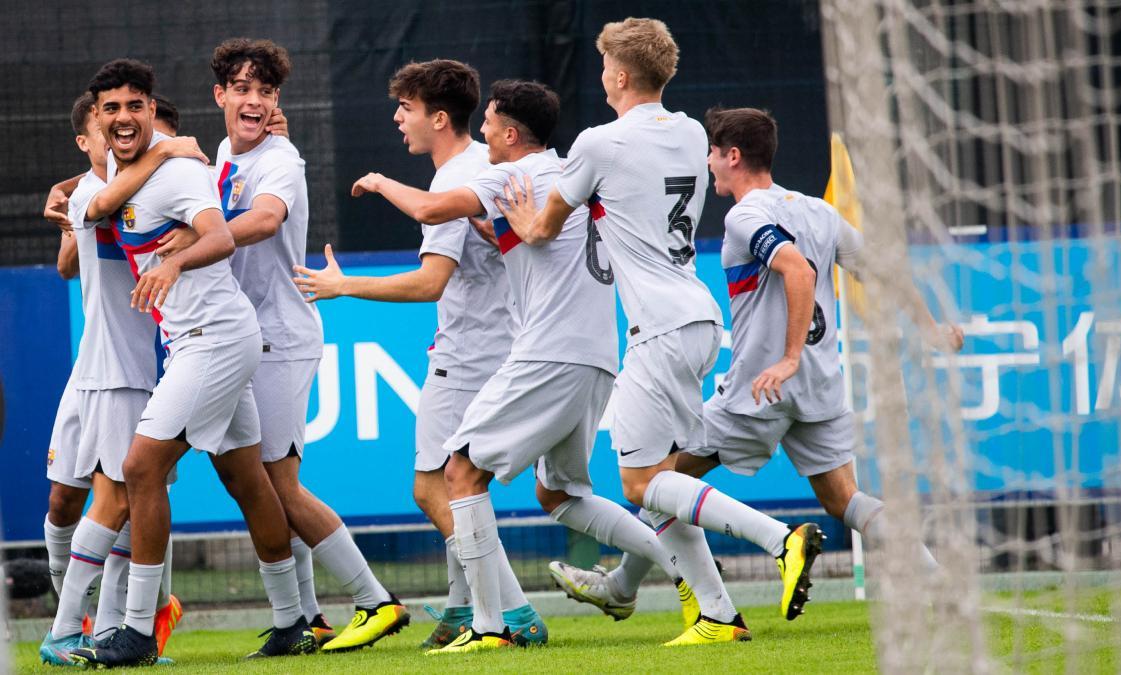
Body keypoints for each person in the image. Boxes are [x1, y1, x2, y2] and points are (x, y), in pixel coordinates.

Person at [299, 80, 701, 652]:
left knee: (454, 477)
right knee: (558, 495)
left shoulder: (497, 175)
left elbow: (434, 228)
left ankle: (498, 623)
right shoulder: (571, 176)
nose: (484, 129)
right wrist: (502, 234)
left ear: (509, 134)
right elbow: (541, 239)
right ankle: (691, 578)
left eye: (490, 122)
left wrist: (377, 183)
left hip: (535, 353)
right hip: (596, 357)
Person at [551, 106, 964, 622]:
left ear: (733, 155)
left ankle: (630, 586)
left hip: (761, 390)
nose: (707, 164)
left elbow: (795, 270)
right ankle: (937, 582)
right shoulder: (818, 211)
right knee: (845, 499)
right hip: (820, 389)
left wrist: (788, 358)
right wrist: (930, 328)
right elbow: (880, 267)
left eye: (712, 154)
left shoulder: (745, 216)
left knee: (660, 480)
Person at [495, 18, 822, 645]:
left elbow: (540, 230)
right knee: (662, 487)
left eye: (602, 67)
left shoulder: (600, 142)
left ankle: (780, 540)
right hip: (698, 317)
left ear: (618, 76)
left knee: (642, 483)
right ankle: (718, 615)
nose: (600, 76)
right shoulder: (694, 131)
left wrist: (516, 215)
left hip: (659, 327)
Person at [156, 38, 409, 653]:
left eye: (266, 92)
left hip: (280, 339)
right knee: (257, 484)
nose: (255, 100)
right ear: (220, 95)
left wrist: (187, 251)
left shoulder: (282, 159)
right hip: (235, 338)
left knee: (279, 485)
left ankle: (377, 600)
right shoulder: (221, 153)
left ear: (277, 102)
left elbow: (266, 220)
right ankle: (308, 618)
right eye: (243, 89)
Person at [292, 59, 545, 649]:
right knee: (468, 488)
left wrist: (343, 285)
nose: (397, 118)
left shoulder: (455, 175)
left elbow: (431, 281)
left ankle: (514, 612)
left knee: (434, 489)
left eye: (405, 107)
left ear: (437, 117)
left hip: (471, 353)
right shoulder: (484, 165)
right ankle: (463, 612)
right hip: (501, 343)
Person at [68, 59, 312, 667]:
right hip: (195, 339)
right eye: (111, 109)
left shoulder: (180, 173)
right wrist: (154, 156)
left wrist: (175, 262)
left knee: (140, 468)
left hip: (216, 337)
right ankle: (292, 621)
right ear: (98, 119)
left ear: (152, 110)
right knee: (247, 479)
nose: (124, 117)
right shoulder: (119, 178)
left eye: (135, 106)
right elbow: (96, 209)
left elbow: (222, 235)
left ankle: (138, 630)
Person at [39, 93, 204, 665]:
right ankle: (70, 627)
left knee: (129, 498)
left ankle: (106, 631)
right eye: (104, 127)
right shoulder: (95, 194)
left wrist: (169, 156)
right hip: (111, 369)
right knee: (93, 500)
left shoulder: (128, 191)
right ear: (89, 141)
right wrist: (165, 154)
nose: (120, 134)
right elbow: (93, 203)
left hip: (135, 368)